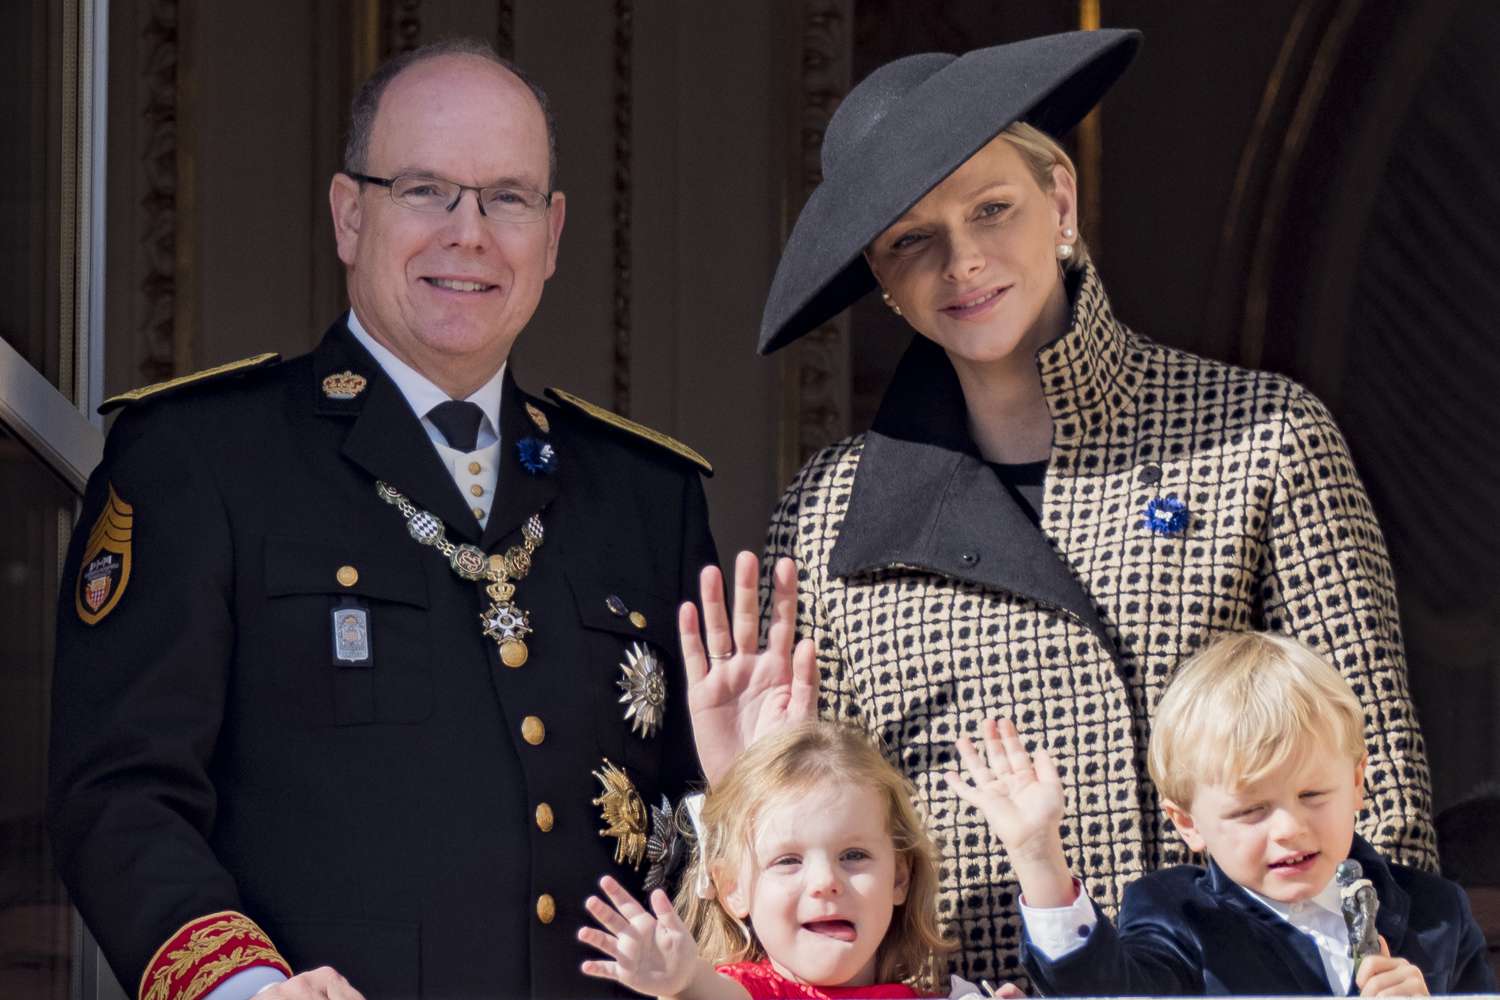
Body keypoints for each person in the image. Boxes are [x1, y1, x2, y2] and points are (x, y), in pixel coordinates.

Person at [748, 28, 1436, 984]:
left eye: (993, 208)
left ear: (1060, 202)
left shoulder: (1266, 437)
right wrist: (734, 766)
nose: (964, 263)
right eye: (914, 240)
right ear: (883, 282)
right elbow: (811, 842)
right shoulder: (827, 515)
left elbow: (1381, 798)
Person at [48, 38, 717, 1000]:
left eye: (508, 198)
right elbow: (120, 794)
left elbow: (716, 819)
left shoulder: (649, 495)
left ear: (554, 234)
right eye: (424, 191)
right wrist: (245, 991)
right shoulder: (200, 457)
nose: (470, 233)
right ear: (348, 215)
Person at [944, 631, 1495, 995]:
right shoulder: (1177, 917)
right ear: (1188, 824)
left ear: (1356, 783)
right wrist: (1038, 856)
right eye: (1252, 810)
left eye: (1312, 796)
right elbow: (1107, 990)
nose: (1290, 828)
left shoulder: (1435, 912)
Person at [576, 721, 1006, 999]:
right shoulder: (753, 991)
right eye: (787, 861)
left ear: (899, 877)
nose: (825, 882)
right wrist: (684, 981)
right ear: (732, 890)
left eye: (853, 855)